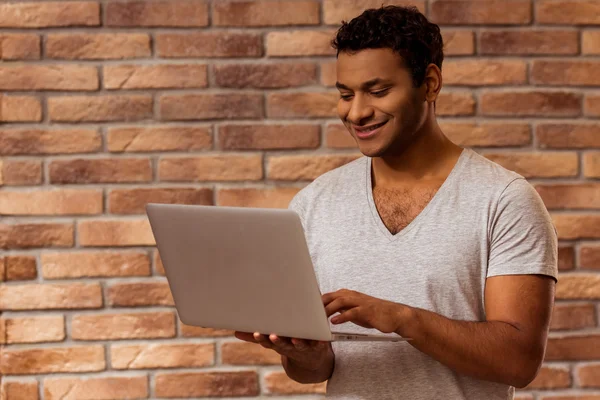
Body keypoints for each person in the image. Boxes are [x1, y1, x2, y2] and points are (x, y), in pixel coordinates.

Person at [235, 5, 557, 399]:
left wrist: (403, 319)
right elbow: (315, 371)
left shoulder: (504, 200)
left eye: (378, 90)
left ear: (431, 83)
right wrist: (303, 353)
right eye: (345, 94)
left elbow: (519, 361)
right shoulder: (314, 203)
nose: (356, 112)